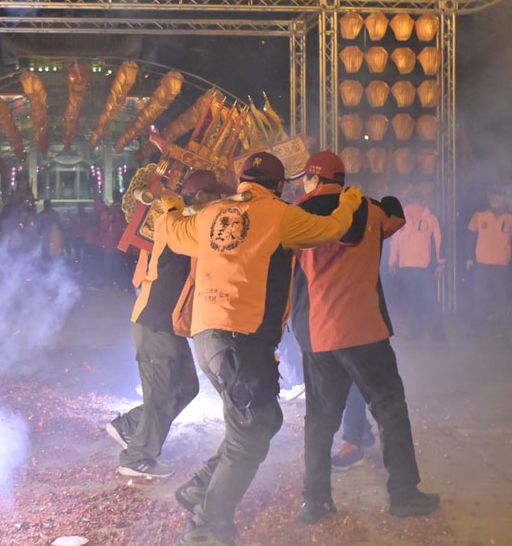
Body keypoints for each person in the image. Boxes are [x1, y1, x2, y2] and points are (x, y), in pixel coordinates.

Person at [162, 152, 363, 546]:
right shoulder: (281, 215)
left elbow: (170, 230)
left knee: (263, 420)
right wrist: (352, 200)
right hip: (245, 341)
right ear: (278, 185)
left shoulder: (210, 213)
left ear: (241, 181)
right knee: (250, 435)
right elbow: (335, 227)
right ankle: (207, 524)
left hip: (207, 338)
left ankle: (200, 487)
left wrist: (168, 202)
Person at [290, 150, 439, 524]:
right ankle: (404, 494)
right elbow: (397, 214)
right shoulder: (370, 211)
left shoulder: (295, 217)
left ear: (310, 179)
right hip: (366, 331)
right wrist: (376, 197)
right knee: (389, 409)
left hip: (320, 334)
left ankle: (315, 501)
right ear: (340, 180)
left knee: (320, 421)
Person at [106, 170, 227, 479]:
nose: (222, 203)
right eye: (217, 196)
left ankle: (130, 425)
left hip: (165, 325)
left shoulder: (184, 220)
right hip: (154, 323)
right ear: (201, 198)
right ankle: (136, 458)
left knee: (187, 387)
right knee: (162, 394)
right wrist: (172, 207)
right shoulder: (180, 226)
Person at [387, 186, 445, 340]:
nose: (414, 202)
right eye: (412, 199)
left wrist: (440, 263)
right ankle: (416, 332)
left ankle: (438, 333)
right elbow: (394, 242)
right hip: (407, 267)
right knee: (413, 301)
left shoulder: (431, 219)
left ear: (421, 201)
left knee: (431, 299)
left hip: (426, 267)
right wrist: (392, 261)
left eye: (417, 199)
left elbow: (439, 242)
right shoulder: (400, 219)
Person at [467, 185, 512, 327]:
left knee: (501, 298)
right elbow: (470, 238)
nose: (494, 199)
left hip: (502, 264)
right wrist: (469, 257)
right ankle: (477, 325)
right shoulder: (479, 216)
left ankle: (500, 327)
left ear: (504, 198)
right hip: (482, 264)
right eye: (491, 196)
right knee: (478, 296)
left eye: (497, 196)